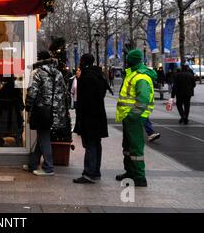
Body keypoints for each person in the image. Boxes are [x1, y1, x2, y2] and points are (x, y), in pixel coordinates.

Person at [115, 49, 157, 187]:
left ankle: (139, 177)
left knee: (136, 148)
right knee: (128, 147)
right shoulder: (134, 74)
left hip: (134, 118)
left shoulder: (141, 77)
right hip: (130, 117)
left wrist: (133, 115)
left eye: (128, 59)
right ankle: (130, 172)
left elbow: (144, 98)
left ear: (132, 61)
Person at [24, 51, 67, 176]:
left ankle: (48, 167)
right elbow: (64, 92)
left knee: (44, 137)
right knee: (43, 136)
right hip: (55, 112)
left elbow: (32, 92)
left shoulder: (38, 73)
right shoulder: (58, 73)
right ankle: (33, 163)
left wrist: (27, 106)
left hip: (41, 111)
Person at [73, 54, 109, 184]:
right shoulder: (98, 75)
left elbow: (85, 100)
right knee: (96, 143)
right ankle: (95, 171)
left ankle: (89, 173)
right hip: (98, 115)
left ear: (83, 62)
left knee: (90, 144)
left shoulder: (87, 77)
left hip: (89, 116)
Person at [0, 77, 25, 147]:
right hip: (15, 124)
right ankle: (19, 145)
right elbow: (22, 107)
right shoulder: (16, 92)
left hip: (1, 125)